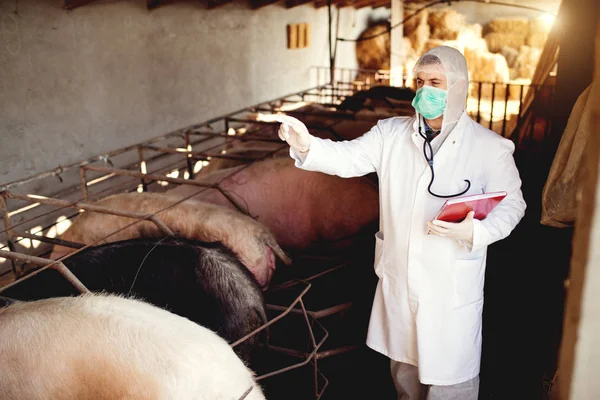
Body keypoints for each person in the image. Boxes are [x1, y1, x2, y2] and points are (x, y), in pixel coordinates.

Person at [273, 46, 527, 399]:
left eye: (435, 82)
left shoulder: (489, 147)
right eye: (419, 81)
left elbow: (514, 204)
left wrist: (478, 231)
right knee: (405, 382)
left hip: (449, 294)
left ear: (457, 86)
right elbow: (346, 159)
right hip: (401, 288)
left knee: (450, 389)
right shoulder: (390, 134)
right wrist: (308, 146)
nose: (424, 91)